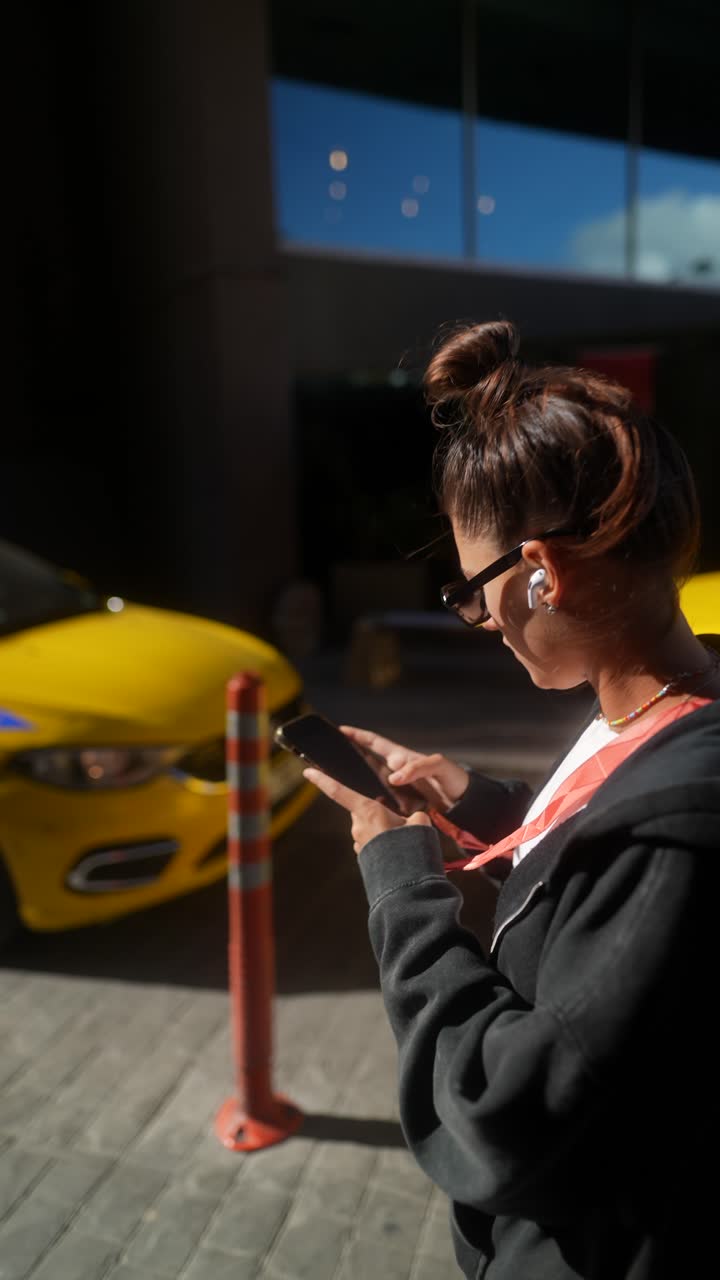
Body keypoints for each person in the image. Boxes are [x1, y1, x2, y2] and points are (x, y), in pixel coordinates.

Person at [303, 320, 720, 1280]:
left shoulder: (682, 836)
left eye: (475, 586)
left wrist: (402, 887)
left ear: (544, 569)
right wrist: (484, 801)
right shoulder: (669, 707)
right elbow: (603, 833)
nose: (481, 616)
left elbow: (506, 1111)